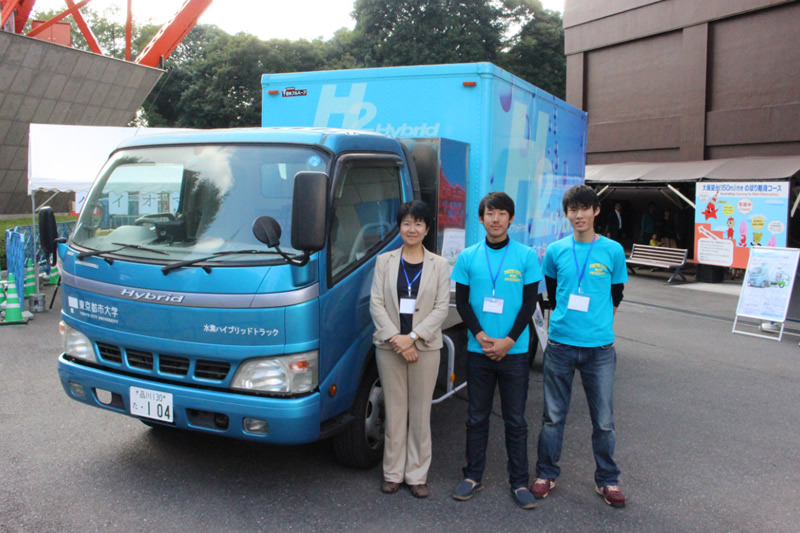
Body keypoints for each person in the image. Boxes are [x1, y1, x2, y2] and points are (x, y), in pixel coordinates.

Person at [531, 184, 628, 508]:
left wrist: (599, 325)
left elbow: (616, 295)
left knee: (603, 420)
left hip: (600, 349)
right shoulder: (556, 251)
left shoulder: (612, 250)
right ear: (567, 214)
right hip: (560, 344)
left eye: (585, 208)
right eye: (573, 209)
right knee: (553, 417)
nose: (579, 215)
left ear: (596, 211)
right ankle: (546, 473)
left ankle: (607, 479)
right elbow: (556, 293)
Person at [450, 192, 542, 510]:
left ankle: (519, 482)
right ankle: (472, 476)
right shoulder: (467, 257)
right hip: (479, 350)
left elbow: (530, 303)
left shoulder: (527, 256)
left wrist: (508, 341)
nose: (496, 219)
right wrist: (481, 335)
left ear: (511, 219)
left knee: (516, 420)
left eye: (502, 213)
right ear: (481, 218)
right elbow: (461, 302)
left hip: (514, 353)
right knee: (476, 417)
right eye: (490, 213)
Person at [369, 200, 451, 499]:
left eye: (418, 223)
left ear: (427, 228)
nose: (412, 228)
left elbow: (441, 308)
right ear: (399, 226)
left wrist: (413, 337)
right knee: (394, 410)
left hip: (425, 349)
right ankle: (392, 473)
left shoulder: (439, 265)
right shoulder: (385, 261)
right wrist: (397, 339)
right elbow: (376, 303)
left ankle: (417, 475)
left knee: (419, 413)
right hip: (390, 347)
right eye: (406, 223)